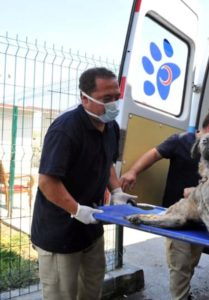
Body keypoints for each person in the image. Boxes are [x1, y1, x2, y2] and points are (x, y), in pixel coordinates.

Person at [31, 67, 136, 300]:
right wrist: (76, 209)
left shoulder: (111, 128)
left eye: (116, 97)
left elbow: (106, 160)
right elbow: (47, 181)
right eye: (106, 99)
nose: (113, 105)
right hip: (60, 233)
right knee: (63, 295)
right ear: (84, 99)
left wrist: (116, 189)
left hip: (92, 228)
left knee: (92, 289)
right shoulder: (65, 129)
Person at [120, 107, 209, 300]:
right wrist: (133, 172)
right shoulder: (180, 141)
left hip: (201, 219)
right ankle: (180, 297)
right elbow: (153, 155)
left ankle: (184, 294)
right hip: (176, 217)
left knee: (191, 262)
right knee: (179, 265)